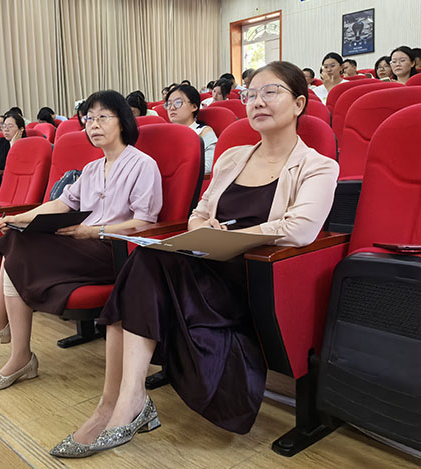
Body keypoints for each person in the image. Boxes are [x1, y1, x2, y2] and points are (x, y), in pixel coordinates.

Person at [48, 61, 339, 458]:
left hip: (254, 282)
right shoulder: (232, 158)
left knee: (144, 268)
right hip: (204, 267)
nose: (257, 102)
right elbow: (197, 214)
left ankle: (123, 405)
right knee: (146, 260)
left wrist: (231, 237)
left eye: (270, 92)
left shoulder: (318, 165)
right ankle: (116, 403)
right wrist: (206, 227)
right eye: (251, 94)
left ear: (300, 103)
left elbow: (300, 229)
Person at [0, 90, 162, 395]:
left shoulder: (143, 164)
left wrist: (95, 231)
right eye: (89, 118)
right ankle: (18, 353)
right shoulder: (92, 169)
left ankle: (7, 333)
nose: (94, 124)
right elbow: (61, 204)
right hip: (83, 246)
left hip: (116, 251)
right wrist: (20, 217)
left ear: (123, 122)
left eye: (103, 117)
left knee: (19, 246)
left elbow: (144, 223)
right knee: (16, 235)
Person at [165, 84, 217, 173]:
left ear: (194, 107)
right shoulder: (164, 134)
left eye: (178, 103)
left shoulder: (204, 132)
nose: (172, 108)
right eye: (169, 104)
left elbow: (208, 167)